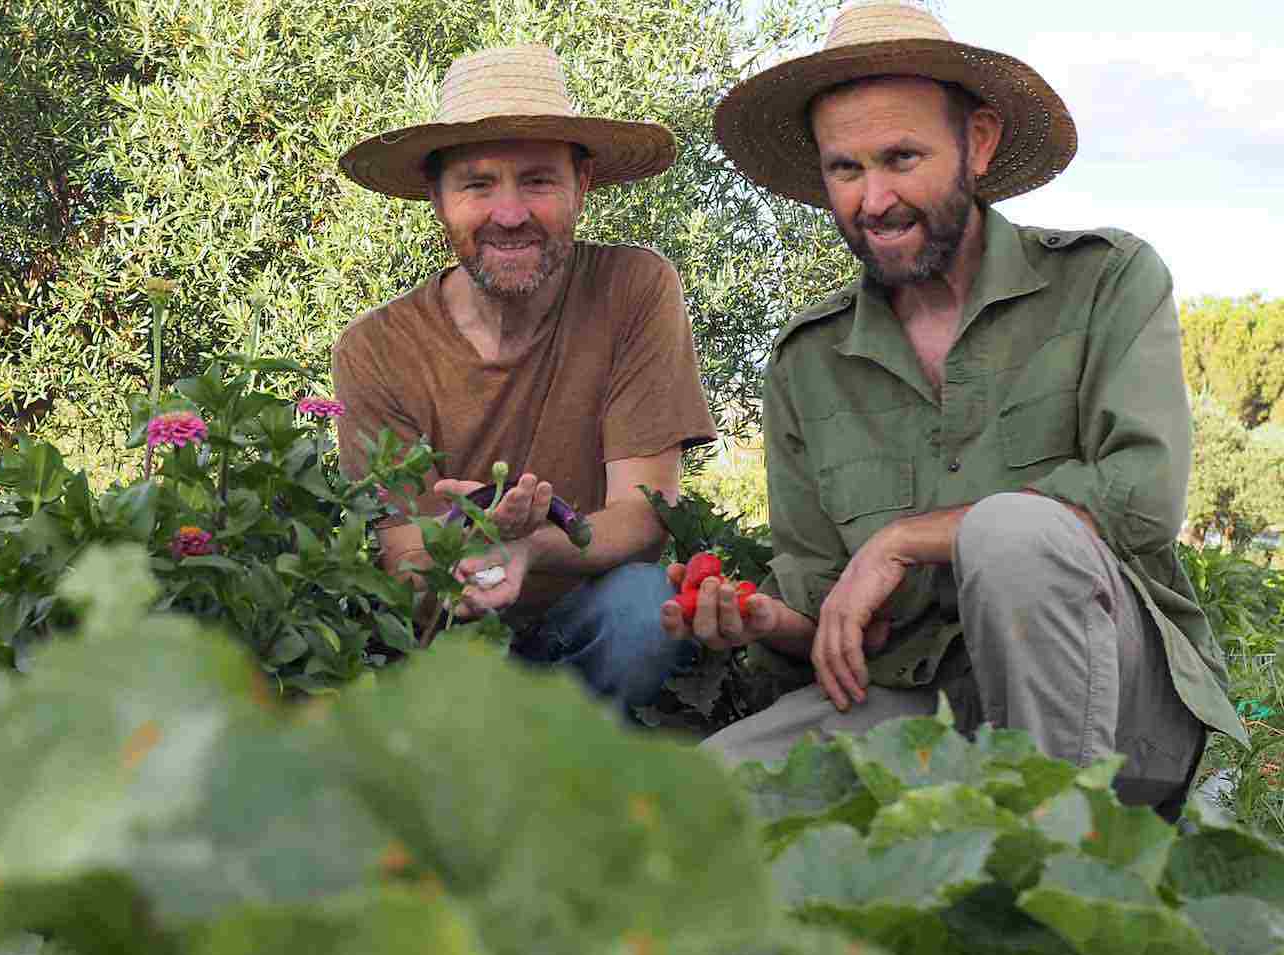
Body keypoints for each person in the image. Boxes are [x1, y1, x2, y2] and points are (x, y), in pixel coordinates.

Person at [677, 0, 1245, 814]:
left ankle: (1060, 866)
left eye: (901, 158)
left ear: (977, 143)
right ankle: (964, 847)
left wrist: (909, 539)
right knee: (700, 803)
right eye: (845, 169)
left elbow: (1141, 498)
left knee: (1012, 532)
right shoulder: (808, 361)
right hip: (918, 708)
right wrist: (766, 618)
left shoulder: (1106, 282)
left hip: (1119, 709)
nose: (873, 200)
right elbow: (827, 599)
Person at [332, 43, 718, 715]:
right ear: (437, 197)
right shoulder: (375, 349)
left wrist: (534, 546)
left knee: (641, 606)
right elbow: (402, 558)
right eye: (478, 185)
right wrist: (477, 539)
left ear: (582, 185)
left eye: (537, 181)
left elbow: (646, 517)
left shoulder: (633, 289)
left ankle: (584, 779)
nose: (509, 215)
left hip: (583, 624)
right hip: (448, 640)